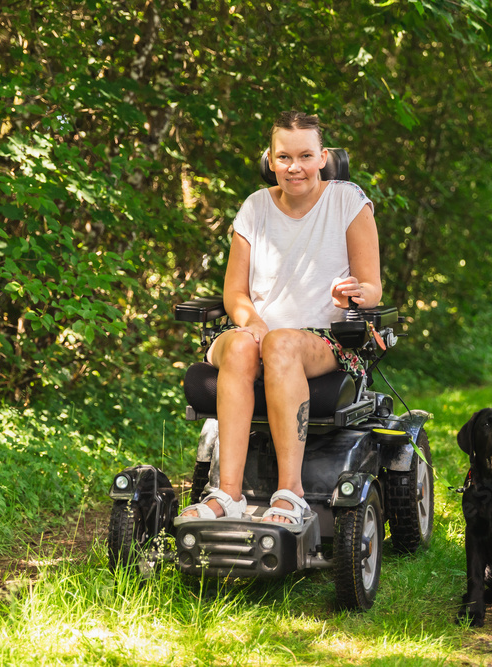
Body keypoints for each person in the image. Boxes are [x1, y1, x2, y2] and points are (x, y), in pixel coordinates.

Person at [175, 111, 382, 531]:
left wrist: (356, 294)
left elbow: (372, 287)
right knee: (240, 344)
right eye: (284, 157)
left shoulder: (348, 202)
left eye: (305, 155)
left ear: (323, 157)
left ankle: (291, 494)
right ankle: (227, 493)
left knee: (280, 344)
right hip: (256, 332)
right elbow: (234, 291)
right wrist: (252, 322)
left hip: (325, 339)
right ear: (271, 159)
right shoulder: (255, 207)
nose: (295, 167)